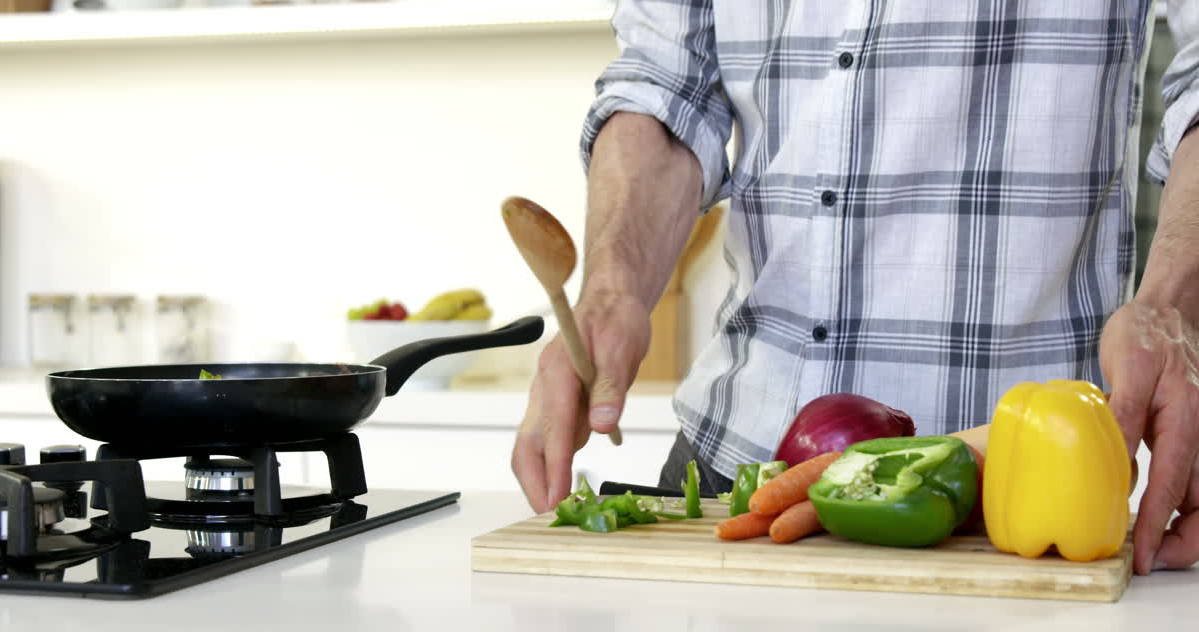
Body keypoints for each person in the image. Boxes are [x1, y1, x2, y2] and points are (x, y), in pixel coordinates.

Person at [510, 1, 1199, 577]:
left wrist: (1173, 304)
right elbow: (666, 86)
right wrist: (613, 287)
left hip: (1018, 500)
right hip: (742, 479)